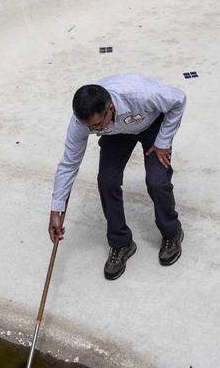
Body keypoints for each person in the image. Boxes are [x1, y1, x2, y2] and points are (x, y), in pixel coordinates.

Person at [49, 74, 186, 280]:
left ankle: (172, 232)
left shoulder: (141, 95)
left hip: (151, 123)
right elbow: (69, 163)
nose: (94, 131)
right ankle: (121, 244)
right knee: (107, 182)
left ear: (110, 108)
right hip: (115, 134)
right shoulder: (83, 123)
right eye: (90, 127)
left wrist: (163, 142)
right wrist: (56, 208)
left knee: (157, 181)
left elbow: (179, 99)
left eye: (97, 125)